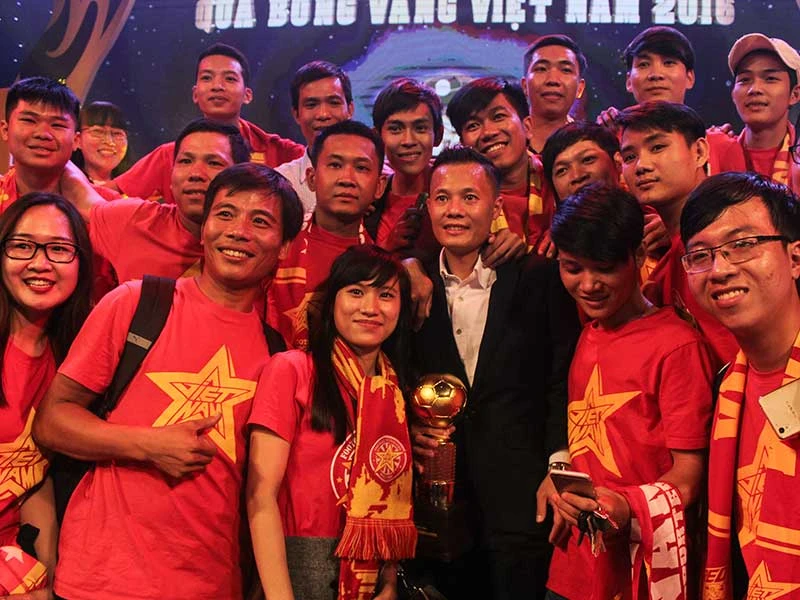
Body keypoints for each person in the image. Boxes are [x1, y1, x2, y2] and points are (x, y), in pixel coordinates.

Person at [31, 163, 304, 600]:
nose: (238, 231)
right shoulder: (137, 303)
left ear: (286, 246)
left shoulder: (279, 355)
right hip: (101, 583)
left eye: (260, 221)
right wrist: (148, 445)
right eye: (226, 214)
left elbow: (264, 494)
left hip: (212, 586)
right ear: (203, 228)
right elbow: (52, 422)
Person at [410, 145, 580, 599]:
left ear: (496, 206)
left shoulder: (539, 276)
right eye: (442, 198)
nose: (454, 210)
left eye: (470, 197)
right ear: (428, 207)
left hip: (523, 493)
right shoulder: (411, 283)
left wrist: (558, 463)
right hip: (440, 502)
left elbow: (560, 377)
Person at [545, 184, 713, 600]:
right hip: (572, 565)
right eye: (572, 268)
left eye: (603, 268)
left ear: (637, 256)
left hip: (641, 569)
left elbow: (689, 478)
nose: (588, 284)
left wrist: (624, 507)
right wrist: (558, 476)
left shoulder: (676, 345)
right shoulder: (588, 334)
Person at [248, 244, 415, 600]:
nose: (370, 307)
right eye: (356, 292)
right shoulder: (293, 370)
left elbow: (389, 497)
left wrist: (388, 581)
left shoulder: (393, 391)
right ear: (332, 301)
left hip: (370, 574)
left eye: (386, 295)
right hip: (297, 563)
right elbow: (260, 495)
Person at [680, 172, 800, 597]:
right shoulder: (723, 389)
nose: (720, 269)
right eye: (701, 255)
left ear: (795, 257)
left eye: (743, 244)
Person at [0, 192, 92, 598]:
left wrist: (46, 577)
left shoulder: (75, 357)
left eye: (59, 249)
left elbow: (34, 478)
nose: (40, 263)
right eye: (22, 246)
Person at [616, 101, 739, 366]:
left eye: (657, 147)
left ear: (700, 152)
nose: (641, 166)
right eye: (629, 157)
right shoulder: (668, 264)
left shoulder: (731, 237)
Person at [110, 43, 304, 203]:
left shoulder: (281, 152)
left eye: (229, 78)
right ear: (195, 94)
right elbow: (106, 195)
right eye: (207, 78)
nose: (217, 86)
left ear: (247, 95)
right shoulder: (168, 155)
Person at [64, 118, 250, 284]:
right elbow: (79, 194)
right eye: (185, 161)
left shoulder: (257, 241)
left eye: (214, 163)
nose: (195, 174)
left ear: (240, 179)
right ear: (170, 177)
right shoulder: (137, 221)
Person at [267, 120, 387, 350]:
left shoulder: (383, 269)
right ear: (312, 178)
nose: (347, 179)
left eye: (362, 168)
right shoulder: (275, 247)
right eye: (335, 165)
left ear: (380, 186)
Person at [541, 122, 669, 275]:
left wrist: (675, 229)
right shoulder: (550, 254)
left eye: (588, 160)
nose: (577, 176)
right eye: (562, 170)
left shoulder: (658, 225)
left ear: (617, 163)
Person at [446, 76, 553, 258]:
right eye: (473, 126)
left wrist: (567, 230)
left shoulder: (558, 179)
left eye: (498, 117)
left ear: (527, 127)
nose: (488, 133)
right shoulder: (453, 203)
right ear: (463, 144)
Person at [0, 77, 119, 212]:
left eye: (57, 125)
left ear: (76, 140)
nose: (43, 134)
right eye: (29, 120)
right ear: (5, 130)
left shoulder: (109, 206)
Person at [368, 77, 442, 255]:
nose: (408, 141)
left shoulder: (460, 195)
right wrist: (386, 247)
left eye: (420, 128)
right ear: (377, 137)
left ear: (438, 135)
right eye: (396, 129)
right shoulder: (368, 203)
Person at [277, 61, 354, 212]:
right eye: (311, 105)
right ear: (296, 114)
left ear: (350, 110)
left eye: (334, 103)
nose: (323, 114)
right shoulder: (281, 183)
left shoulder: (379, 177)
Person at [728, 34, 800, 191]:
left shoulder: (798, 161)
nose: (755, 89)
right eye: (745, 80)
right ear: (733, 95)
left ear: (794, 94)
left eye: (770, 78)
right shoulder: (712, 155)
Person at [597, 26, 696, 129]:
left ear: (689, 78)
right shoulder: (611, 135)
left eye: (668, 63)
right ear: (629, 81)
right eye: (644, 64)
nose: (656, 75)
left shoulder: (705, 138)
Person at [521, 34, 587, 154]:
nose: (553, 80)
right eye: (541, 69)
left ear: (580, 88)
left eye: (566, 70)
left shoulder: (590, 144)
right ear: (525, 86)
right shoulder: (508, 142)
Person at [73, 101, 131, 186]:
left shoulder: (134, 189)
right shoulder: (64, 185)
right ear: (77, 140)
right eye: (98, 132)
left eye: (117, 133)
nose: (109, 141)